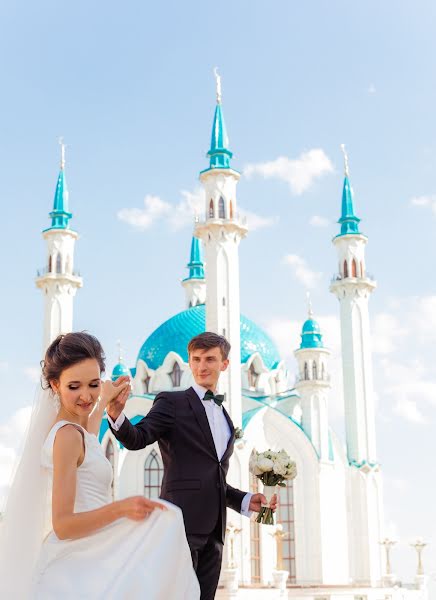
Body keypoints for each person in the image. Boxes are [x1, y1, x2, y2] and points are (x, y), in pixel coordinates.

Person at [0, 332, 200, 599]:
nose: (86, 395)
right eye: (74, 387)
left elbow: (90, 440)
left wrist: (106, 401)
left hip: (93, 548)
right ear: (55, 384)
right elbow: (63, 524)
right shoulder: (67, 436)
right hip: (79, 559)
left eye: (93, 384)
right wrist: (123, 507)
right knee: (168, 521)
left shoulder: (76, 432)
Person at [107, 331, 276, 600]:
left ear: (224, 365)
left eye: (210, 359)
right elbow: (139, 438)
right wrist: (116, 415)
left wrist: (245, 500)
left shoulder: (225, 418)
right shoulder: (171, 402)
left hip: (215, 534)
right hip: (180, 524)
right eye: (196, 359)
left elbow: (214, 478)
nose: (202, 366)